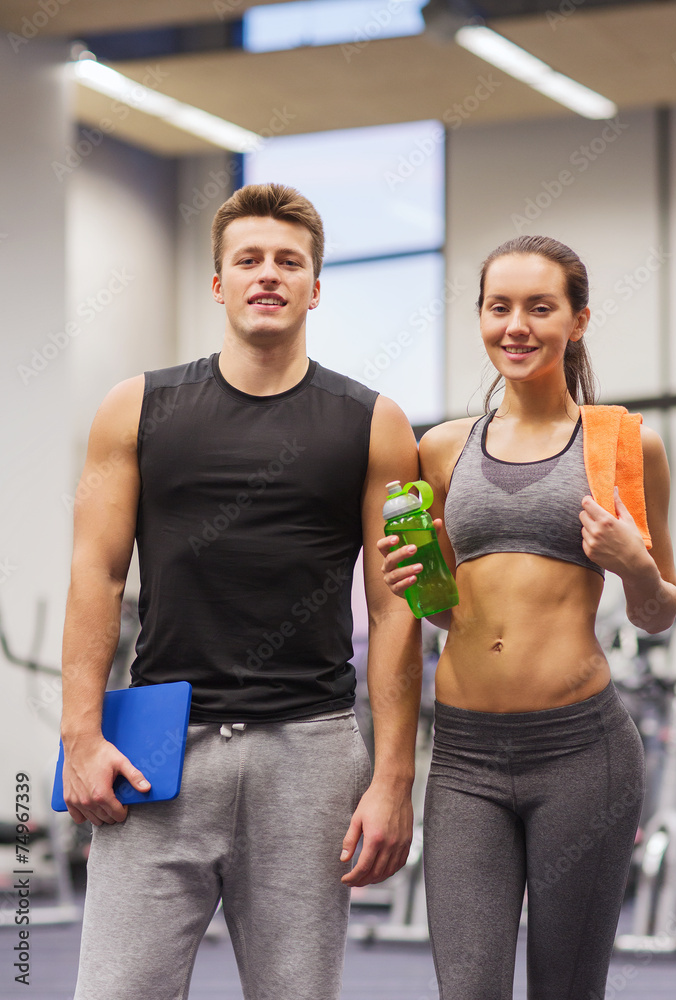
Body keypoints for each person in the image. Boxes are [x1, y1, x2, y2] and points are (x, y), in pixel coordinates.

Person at [61, 182, 422, 1000]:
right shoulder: (135, 409)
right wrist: (80, 734)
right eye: (248, 259)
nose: (269, 274)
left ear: (316, 287)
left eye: (289, 261)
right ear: (219, 283)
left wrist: (393, 778)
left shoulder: (376, 424)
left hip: (311, 751)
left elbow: (400, 603)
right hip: (159, 751)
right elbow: (97, 574)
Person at [378, 235, 676, 1000]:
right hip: (466, 757)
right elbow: (449, 613)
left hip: (582, 753)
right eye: (498, 307)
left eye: (539, 308)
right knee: (468, 988)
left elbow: (658, 611)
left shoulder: (622, 443)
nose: (516, 326)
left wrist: (633, 563)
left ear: (576, 321)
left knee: (566, 989)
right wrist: (419, 587)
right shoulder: (443, 449)